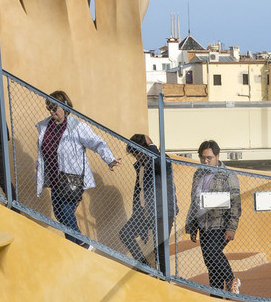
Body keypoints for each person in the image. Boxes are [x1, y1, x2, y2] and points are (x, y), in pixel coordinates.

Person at [35, 90, 116, 241]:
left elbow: (96, 142)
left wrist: (109, 159)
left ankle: (81, 244)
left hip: (72, 180)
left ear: (64, 106)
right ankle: (75, 244)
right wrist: (39, 166)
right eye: (49, 108)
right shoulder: (45, 127)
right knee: (60, 214)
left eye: (54, 108)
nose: (52, 112)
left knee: (66, 212)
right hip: (54, 179)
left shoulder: (76, 126)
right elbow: (43, 152)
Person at [185, 139, 242, 292]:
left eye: (209, 158)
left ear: (217, 156)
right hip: (203, 224)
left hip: (220, 223)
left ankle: (231, 279)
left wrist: (232, 228)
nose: (205, 161)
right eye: (203, 158)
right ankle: (217, 295)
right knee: (211, 263)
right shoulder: (198, 173)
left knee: (212, 252)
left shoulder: (228, 175)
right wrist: (192, 226)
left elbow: (236, 202)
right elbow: (195, 201)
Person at [122, 132, 177, 276]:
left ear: (146, 148)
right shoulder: (140, 167)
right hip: (145, 213)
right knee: (125, 233)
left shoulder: (160, 160)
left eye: (138, 153)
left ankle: (165, 278)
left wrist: (152, 146)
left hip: (162, 212)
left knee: (160, 248)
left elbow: (161, 163)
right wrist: (137, 213)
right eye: (134, 155)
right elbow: (139, 194)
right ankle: (146, 268)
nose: (137, 157)